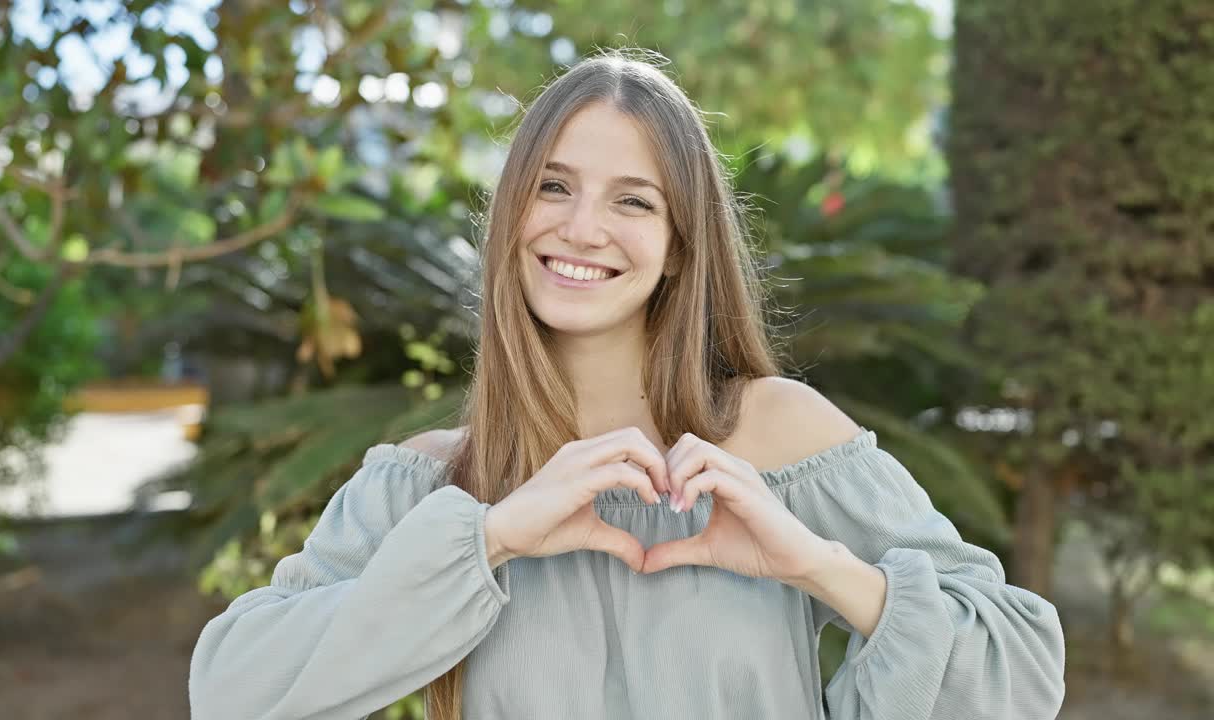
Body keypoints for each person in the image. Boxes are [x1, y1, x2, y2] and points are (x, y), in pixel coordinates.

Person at [188, 49, 1066, 720]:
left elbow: (1019, 677)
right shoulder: (431, 482)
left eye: (633, 201)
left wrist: (816, 564)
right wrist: (487, 541)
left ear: (681, 242)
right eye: (553, 186)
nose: (581, 227)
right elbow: (232, 690)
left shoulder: (779, 437)